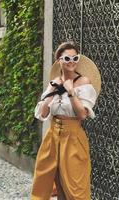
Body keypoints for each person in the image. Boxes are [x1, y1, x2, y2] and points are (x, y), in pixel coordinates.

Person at [30, 41, 101, 200]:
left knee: (76, 189)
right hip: (52, 137)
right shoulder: (54, 82)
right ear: (59, 60)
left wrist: (70, 92)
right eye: (67, 59)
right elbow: (42, 113)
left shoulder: (84, 83)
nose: (72, 62)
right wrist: (52, 92)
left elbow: (82, 114)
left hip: (73, 138)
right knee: (43, 183)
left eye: (75, 58)